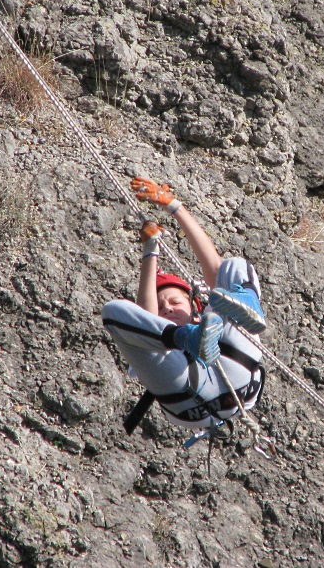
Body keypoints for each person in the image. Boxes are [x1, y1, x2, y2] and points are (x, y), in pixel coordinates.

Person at [102, 176, 267, 432]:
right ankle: (186, 338)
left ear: (193, 307)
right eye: (161, 305)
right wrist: (150, 252)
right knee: (117, 315)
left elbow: (213, 266)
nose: (167, 307)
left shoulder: (209, 315)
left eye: (175, 301)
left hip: (237, 372)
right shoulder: (155, 337)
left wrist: (175, 207)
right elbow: (146, 315)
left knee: (232, 267)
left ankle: (249, 307)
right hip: (190, 394)